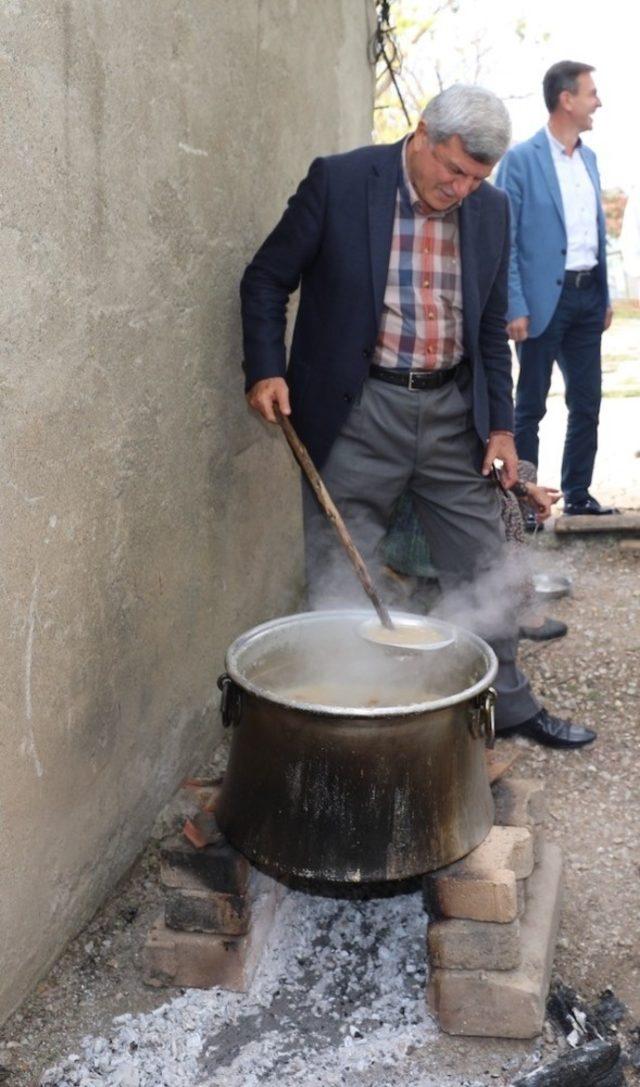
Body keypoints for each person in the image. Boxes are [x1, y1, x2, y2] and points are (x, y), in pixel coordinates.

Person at [240, 84, 595, 748]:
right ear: (424, 132)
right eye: (453, 169)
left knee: (487, 563)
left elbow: (491, 328)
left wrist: (500, 429)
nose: (460, 188)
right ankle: (359, 718)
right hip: (357, 407)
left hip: (452, 412)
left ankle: (505, 709)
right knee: (344, 569)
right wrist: (265, 367)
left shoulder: (491, 209)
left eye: (475, 177)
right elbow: (265, 276)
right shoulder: (341, 182)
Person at [495, 60, 618, 517]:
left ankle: (579, 494)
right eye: (591, 93)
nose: (597, 102)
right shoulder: (521, 160)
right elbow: (504, 239)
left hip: (588, 298)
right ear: (566, 99)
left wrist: (603, 296)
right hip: (543, 302)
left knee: (587, 402)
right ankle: (522, 503)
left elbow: (595, 234)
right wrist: (515, 304)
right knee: (528, 408)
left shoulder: (590, 159)